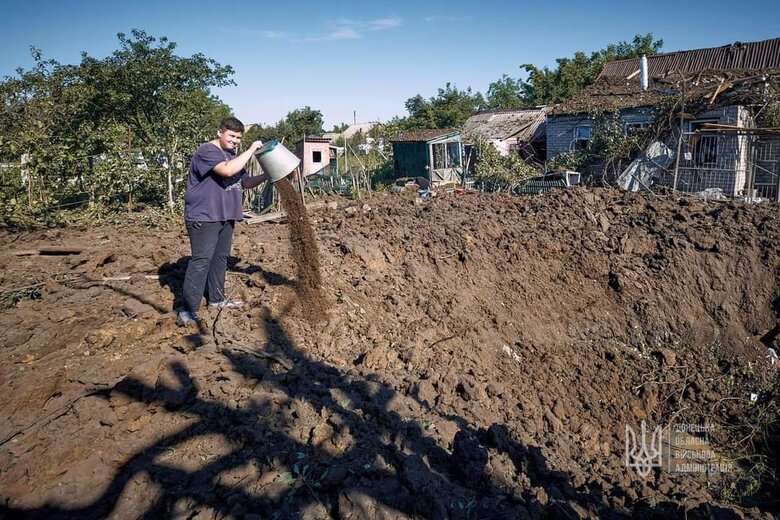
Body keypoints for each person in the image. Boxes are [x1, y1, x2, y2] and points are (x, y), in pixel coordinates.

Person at [178, 117, 268, 326]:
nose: (235, 140)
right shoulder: (207, 151)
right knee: (201, 261)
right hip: (205, 215)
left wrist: (268, 175)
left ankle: (216, 299)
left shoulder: (231, 155)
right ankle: (187, 311)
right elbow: (226, 170)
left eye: (239, 138)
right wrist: (252, 149)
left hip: (226, 215)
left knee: (220, 259)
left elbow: (245, 182)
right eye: (232, 136)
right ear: (220, 132)